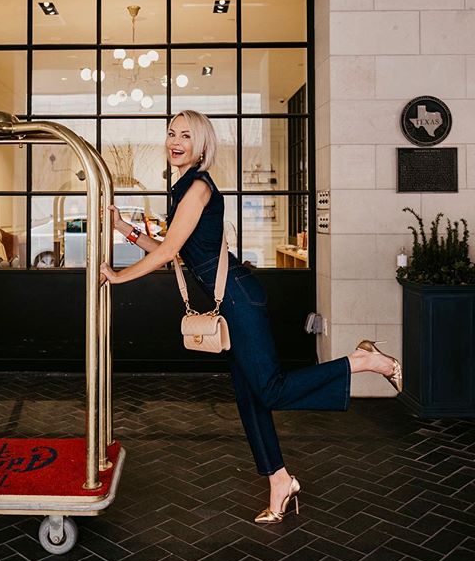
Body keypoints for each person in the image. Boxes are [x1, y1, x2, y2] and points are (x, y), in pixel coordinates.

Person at [100, 111, 402, 524]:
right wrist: (126, 229)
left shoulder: (198, 187)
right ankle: (280, 480)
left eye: (186, 135)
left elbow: (168, 252)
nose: (176, 140)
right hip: (231, 300)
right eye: (171, 133)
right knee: (249, 397)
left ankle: (363, 360)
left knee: (272, 391)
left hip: (240, 298)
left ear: (202, 145)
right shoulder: (183, 187)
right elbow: (177, 249)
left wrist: (118, 278)